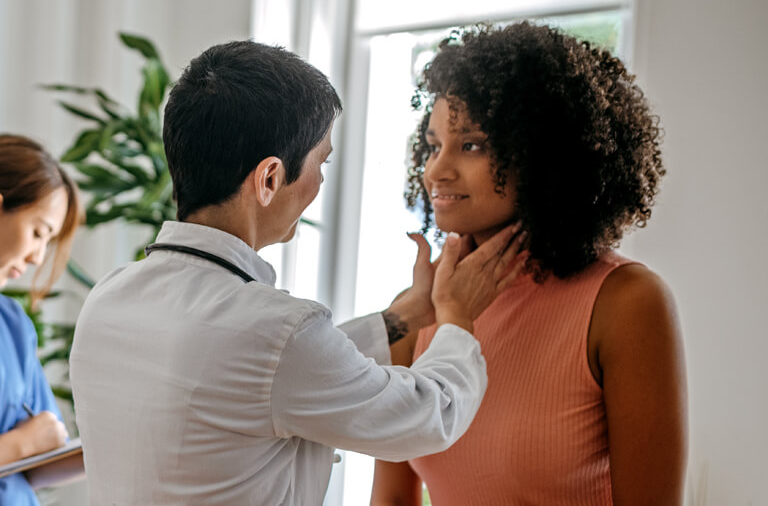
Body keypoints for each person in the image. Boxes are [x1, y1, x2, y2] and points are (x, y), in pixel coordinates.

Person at [69, 40, 527, 505]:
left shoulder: (107, 299)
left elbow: (256, 373)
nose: (321, 181)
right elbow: (430, 416)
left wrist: (401, 318)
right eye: (320, 162)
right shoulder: (272, 330)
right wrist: (455, 317)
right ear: (269, 179)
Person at [371, 22, 688, 506]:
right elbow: (391, 500)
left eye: (471, 144)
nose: (436, 170)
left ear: (542, 155)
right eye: (434, 146)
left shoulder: (627, 303)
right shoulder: (416, 315)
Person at [0, 134, 84, 505]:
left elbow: (43, 453)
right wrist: (21, 443)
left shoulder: (13, 325)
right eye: (38, 233)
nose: (37, 258)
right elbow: (28, 444)